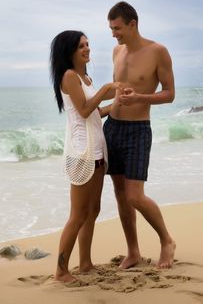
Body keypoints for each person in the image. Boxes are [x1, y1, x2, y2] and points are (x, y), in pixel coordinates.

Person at [103, 1, 176, 269]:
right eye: (111, 28)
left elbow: (169, 93)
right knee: (121, 194)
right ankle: (133, 251)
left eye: (117, 28)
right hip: (112, 128)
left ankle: (166, 240)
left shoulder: (158, 51)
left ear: (132, 23)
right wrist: (91, 106)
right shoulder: (116, 51)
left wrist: (141, 98)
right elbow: (116, 91)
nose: (113, 33)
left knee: (135, 196)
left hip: (137, 130)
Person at [50, 30, 122, 282]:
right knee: (78, 214)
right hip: (81, 154)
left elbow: (95, 112)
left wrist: (119, 100)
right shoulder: (69, 76)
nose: (87, 49)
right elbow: (82, 111)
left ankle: (86, 264)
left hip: (98, 151)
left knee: (93, 210)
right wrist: (107, 88)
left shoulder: (85, 78)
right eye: (82, 46)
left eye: (88, 44)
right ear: (69, 51)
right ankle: (60, 270)